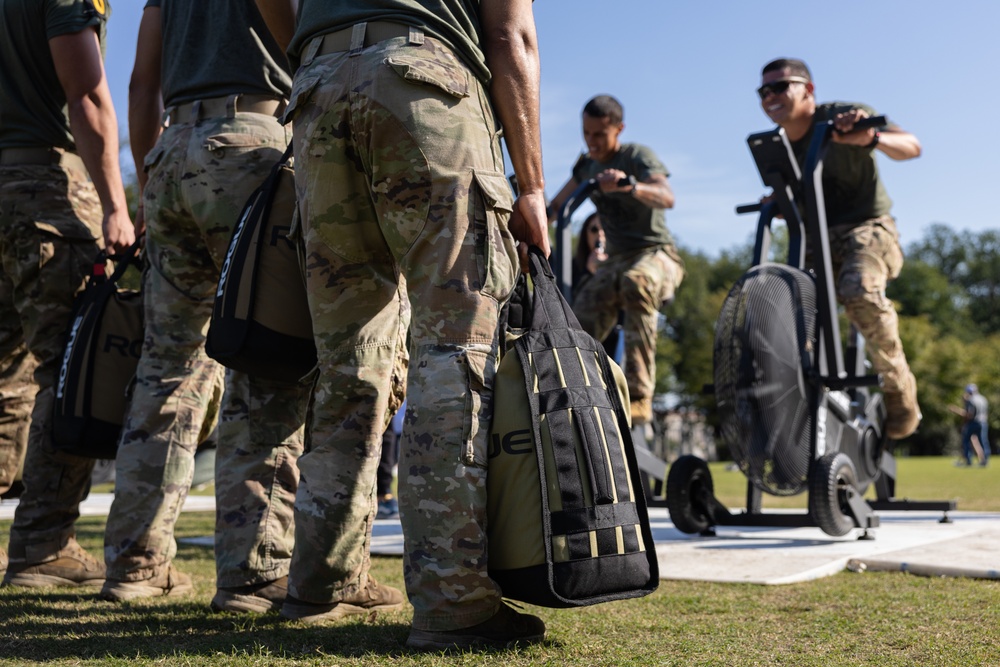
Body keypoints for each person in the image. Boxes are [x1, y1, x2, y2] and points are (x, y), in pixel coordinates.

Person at [255, 0, 550, 649]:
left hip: (316, 96)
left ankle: (317, 581)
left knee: (347, 358)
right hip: (425, 83)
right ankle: (453, 598)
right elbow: (510, 31)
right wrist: (532, 184)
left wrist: (314, 55)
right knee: (453, 347)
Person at [100, 0, 310, 610]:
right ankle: (254, 570)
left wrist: (149, 181)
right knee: (265, 358)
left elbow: (143, 81)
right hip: (253, 142)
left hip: (171, 151)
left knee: (166, 367)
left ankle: (135, 565)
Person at [1, 0, 135, 587]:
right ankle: (42, 546)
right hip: (42, 189)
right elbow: (85, 93)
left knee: (7, 376)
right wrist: (115, 206)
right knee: (70, 368)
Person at [756, 57, 922, 440]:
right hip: (818, 241)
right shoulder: (779, 148)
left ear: (808, 90)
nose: (770, 97)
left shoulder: (842, 117)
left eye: (780, 87)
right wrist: (779, 201)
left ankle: (899, 388)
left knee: (859, 290)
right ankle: (803, 409)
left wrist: (871, 138)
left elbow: (912, 147)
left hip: (869, 231)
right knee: (786, 314)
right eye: (764, 91)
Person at [547, 95, 683, 426]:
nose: (592, 142)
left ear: (618, 129)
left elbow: (667, 197)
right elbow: (555, 208)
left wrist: (628, 186)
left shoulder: (635, 157)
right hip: (616, 262)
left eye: (599, 135)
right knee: (578, 313)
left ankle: (639, 399)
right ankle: (575, 391)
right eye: (586, 133)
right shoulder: (587, 166)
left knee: (637, 281)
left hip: (657, 255)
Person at [572, 212, 608, 298]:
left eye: (605, 228)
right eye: (594, 229)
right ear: (585, 234)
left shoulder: (620, 263)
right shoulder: (572, 267)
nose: (600, 234)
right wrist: (588, 272)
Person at [960, 384, 990, 467]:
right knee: (983, 441)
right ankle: (985, 461)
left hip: (973, 422)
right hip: (983, 422)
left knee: (966, 440)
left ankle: (968, 460)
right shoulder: (983, 399)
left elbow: (970, 414)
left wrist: (964, 423)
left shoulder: (970, 400)